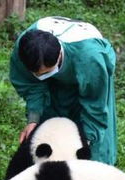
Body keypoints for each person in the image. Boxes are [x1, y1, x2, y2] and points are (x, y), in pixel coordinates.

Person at [10, 16, 117, 165]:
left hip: (86, 71)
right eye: (38, 74)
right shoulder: (25, 48)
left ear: (60, 54)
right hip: (52, 85)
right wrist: (33, 119)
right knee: (49, 139)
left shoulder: (90, 57)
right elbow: (31, 86)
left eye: (47, 72)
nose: (41, 76)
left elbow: (95, 105)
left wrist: (85, 142)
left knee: (93, 155)